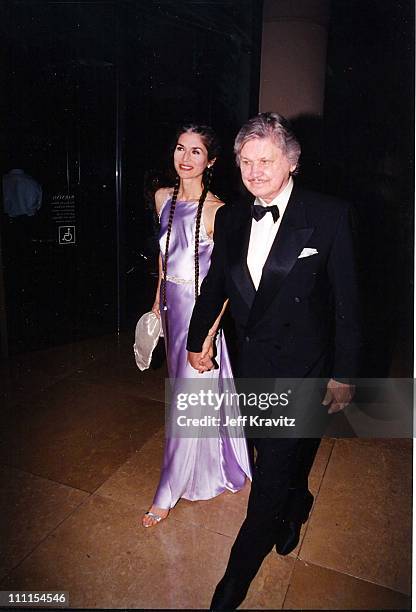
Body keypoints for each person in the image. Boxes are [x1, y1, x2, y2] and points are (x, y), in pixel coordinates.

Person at [187, 112, 361, 609]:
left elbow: (349, 305)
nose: (254, 171)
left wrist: (344, 373)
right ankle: (295, 504)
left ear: (292, 162)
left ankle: (236, 575)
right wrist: (198, 338)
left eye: (266, 160)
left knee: (272, 467)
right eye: (245, 161)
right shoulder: (233, 217)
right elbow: (216, 284)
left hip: (304, 364)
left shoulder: (329, 215)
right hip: (253, 361)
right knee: (273, 448)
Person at [142, 124, 252, 528]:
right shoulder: (161, 199)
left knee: (190, 395)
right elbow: (162, 255)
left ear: (211, 161)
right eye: (180, 148)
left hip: (199, 312)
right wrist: (156, 303)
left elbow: (223, 282)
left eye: (196, 152)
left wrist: (208, 334)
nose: (185, 159)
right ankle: (215, 465)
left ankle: (167, 492)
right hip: (172, 306)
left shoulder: (218, 210)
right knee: (188, 393)